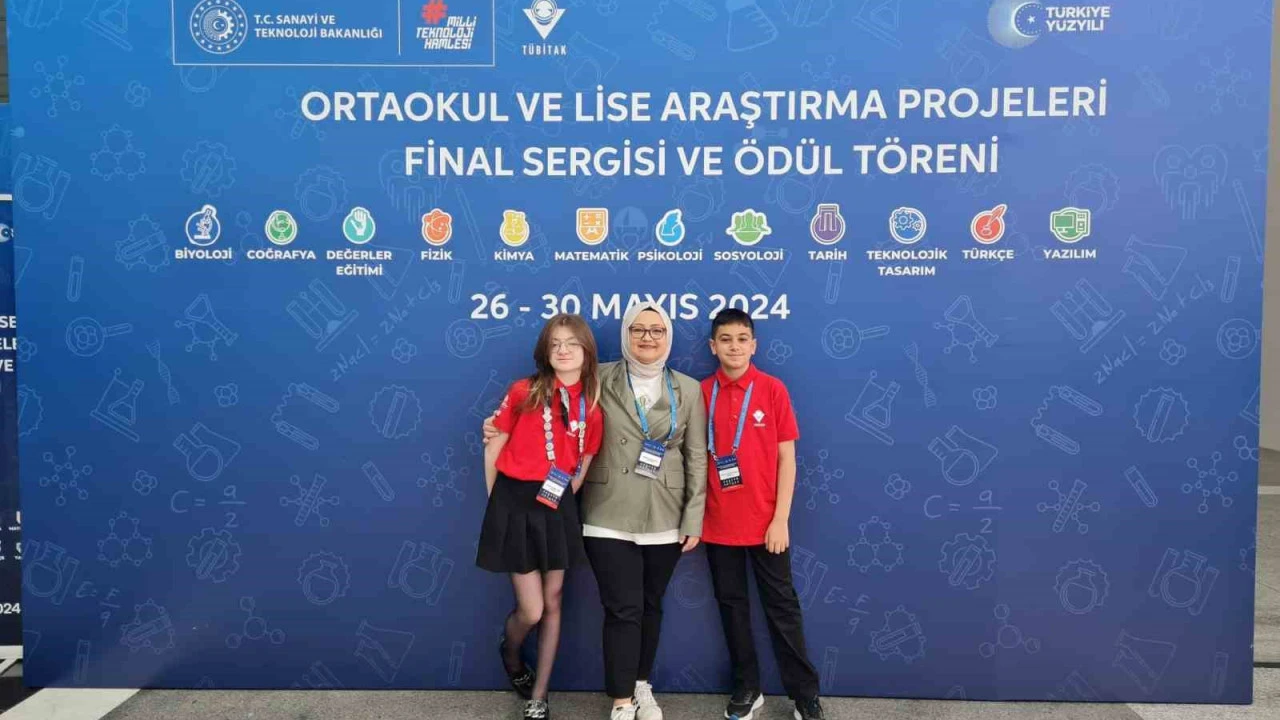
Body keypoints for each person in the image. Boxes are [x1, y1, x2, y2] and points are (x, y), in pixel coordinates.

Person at [486, 303, 707, 720]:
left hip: (665, 512)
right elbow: (536, 403)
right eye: (638, 329)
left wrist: (693, 516)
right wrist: (494, 426)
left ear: (668, 336)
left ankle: (641, 686)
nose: (647, 337)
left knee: (650, 605)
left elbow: (696, 456)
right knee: (621, 608)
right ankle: (621, 699)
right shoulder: (597, 378)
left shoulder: (689, 389)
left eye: (657, 330)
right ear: (625, 335)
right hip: (607, 512)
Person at [477, 314, 604, 720]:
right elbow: (494, 445)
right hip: (513, 502)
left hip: (557, 505)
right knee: (531, 609)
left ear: (587, 351)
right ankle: (511, 654)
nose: (563, 350)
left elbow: (582, 467)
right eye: (555, 344)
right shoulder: (524, 391)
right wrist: (498, 503)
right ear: (545, 352)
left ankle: (540, 694)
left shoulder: (592, 407)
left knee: (554, 600)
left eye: (572, 343)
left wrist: (560, 501)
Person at [700, 309, 824, 720]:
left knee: (782, 607)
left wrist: (780, 519)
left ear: (754, 345)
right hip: (717, 523)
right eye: (725, 339)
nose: (734, 346)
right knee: (732, 608)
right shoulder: (701, 392)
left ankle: (804, 694)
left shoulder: (772, 389)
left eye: (742, 339)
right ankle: (747, 687)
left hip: (767, 524)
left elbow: (788, 458)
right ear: (712, 346)